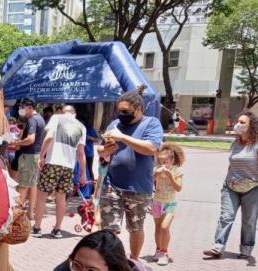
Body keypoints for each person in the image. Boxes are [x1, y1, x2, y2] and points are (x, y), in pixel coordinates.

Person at [99, 88, 163, 260]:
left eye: (126, 111)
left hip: (138, 187)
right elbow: (101, 149)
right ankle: (110, 261)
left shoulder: (151, 124)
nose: (121, 114)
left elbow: (151, 148)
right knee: (108, 229)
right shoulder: (114, 125)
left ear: (139, 109)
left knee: (135, 227)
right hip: (112, 184)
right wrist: (105, 150)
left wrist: (123, 138)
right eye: (119, 111)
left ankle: (134, 260)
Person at [204, 111, 258, 259]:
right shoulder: (235, 143)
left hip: (253, 188)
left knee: (249, 221)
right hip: (231, 187)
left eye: (242, 122)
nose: (238, 125)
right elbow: (232, 165)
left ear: (251, 126)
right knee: (226, 216)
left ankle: (246, 248)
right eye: (238, 121)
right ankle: (218, 246)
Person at [33, 105, 87, 238]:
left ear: (63, 112)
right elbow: (81, 153)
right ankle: (57, 229)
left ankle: (37, 228)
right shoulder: (81, 127)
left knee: (41, 196)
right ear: (74, 114)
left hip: (53, 163)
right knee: (61, 198)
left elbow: (49, 137)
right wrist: (82, 173)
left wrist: (41, 156)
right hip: (68, 167)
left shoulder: (57, 118)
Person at [10, 98, 46, 220]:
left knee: (23, 186)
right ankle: (30, 213)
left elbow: (31, 139)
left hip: (28, 156)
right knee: (32, 185)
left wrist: (17, 142)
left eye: (22, 107)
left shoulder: (32, 120)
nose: (21, 110)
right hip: (34, 155)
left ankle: (18, 215)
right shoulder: (39, 119)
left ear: (30, 108)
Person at [151, 144, 185, 266]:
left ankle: (164, 252)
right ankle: (158, 250)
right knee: (158, 228)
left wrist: (170, 176)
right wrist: (156, 175)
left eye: (165, 161)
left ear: (172, 160)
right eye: (160, 161)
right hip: (157, 202)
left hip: (170, 203)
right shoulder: (156, 169)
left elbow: (179, 188)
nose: (162, 164)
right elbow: (150, 181)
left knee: (165, 227)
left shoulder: (177, 171)